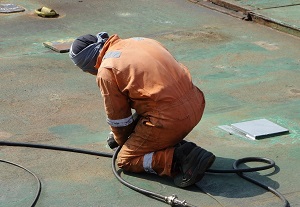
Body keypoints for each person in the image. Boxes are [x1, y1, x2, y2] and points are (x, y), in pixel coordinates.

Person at [69, 32, 215, 188]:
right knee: (151, 104)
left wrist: (123, 142)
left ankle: (179, 158)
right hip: (197, 103)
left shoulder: (107, 69)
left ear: (89, 64)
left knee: (126, 160)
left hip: (171, 120)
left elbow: (119, 119)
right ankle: (180, 148)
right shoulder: (141, 42)